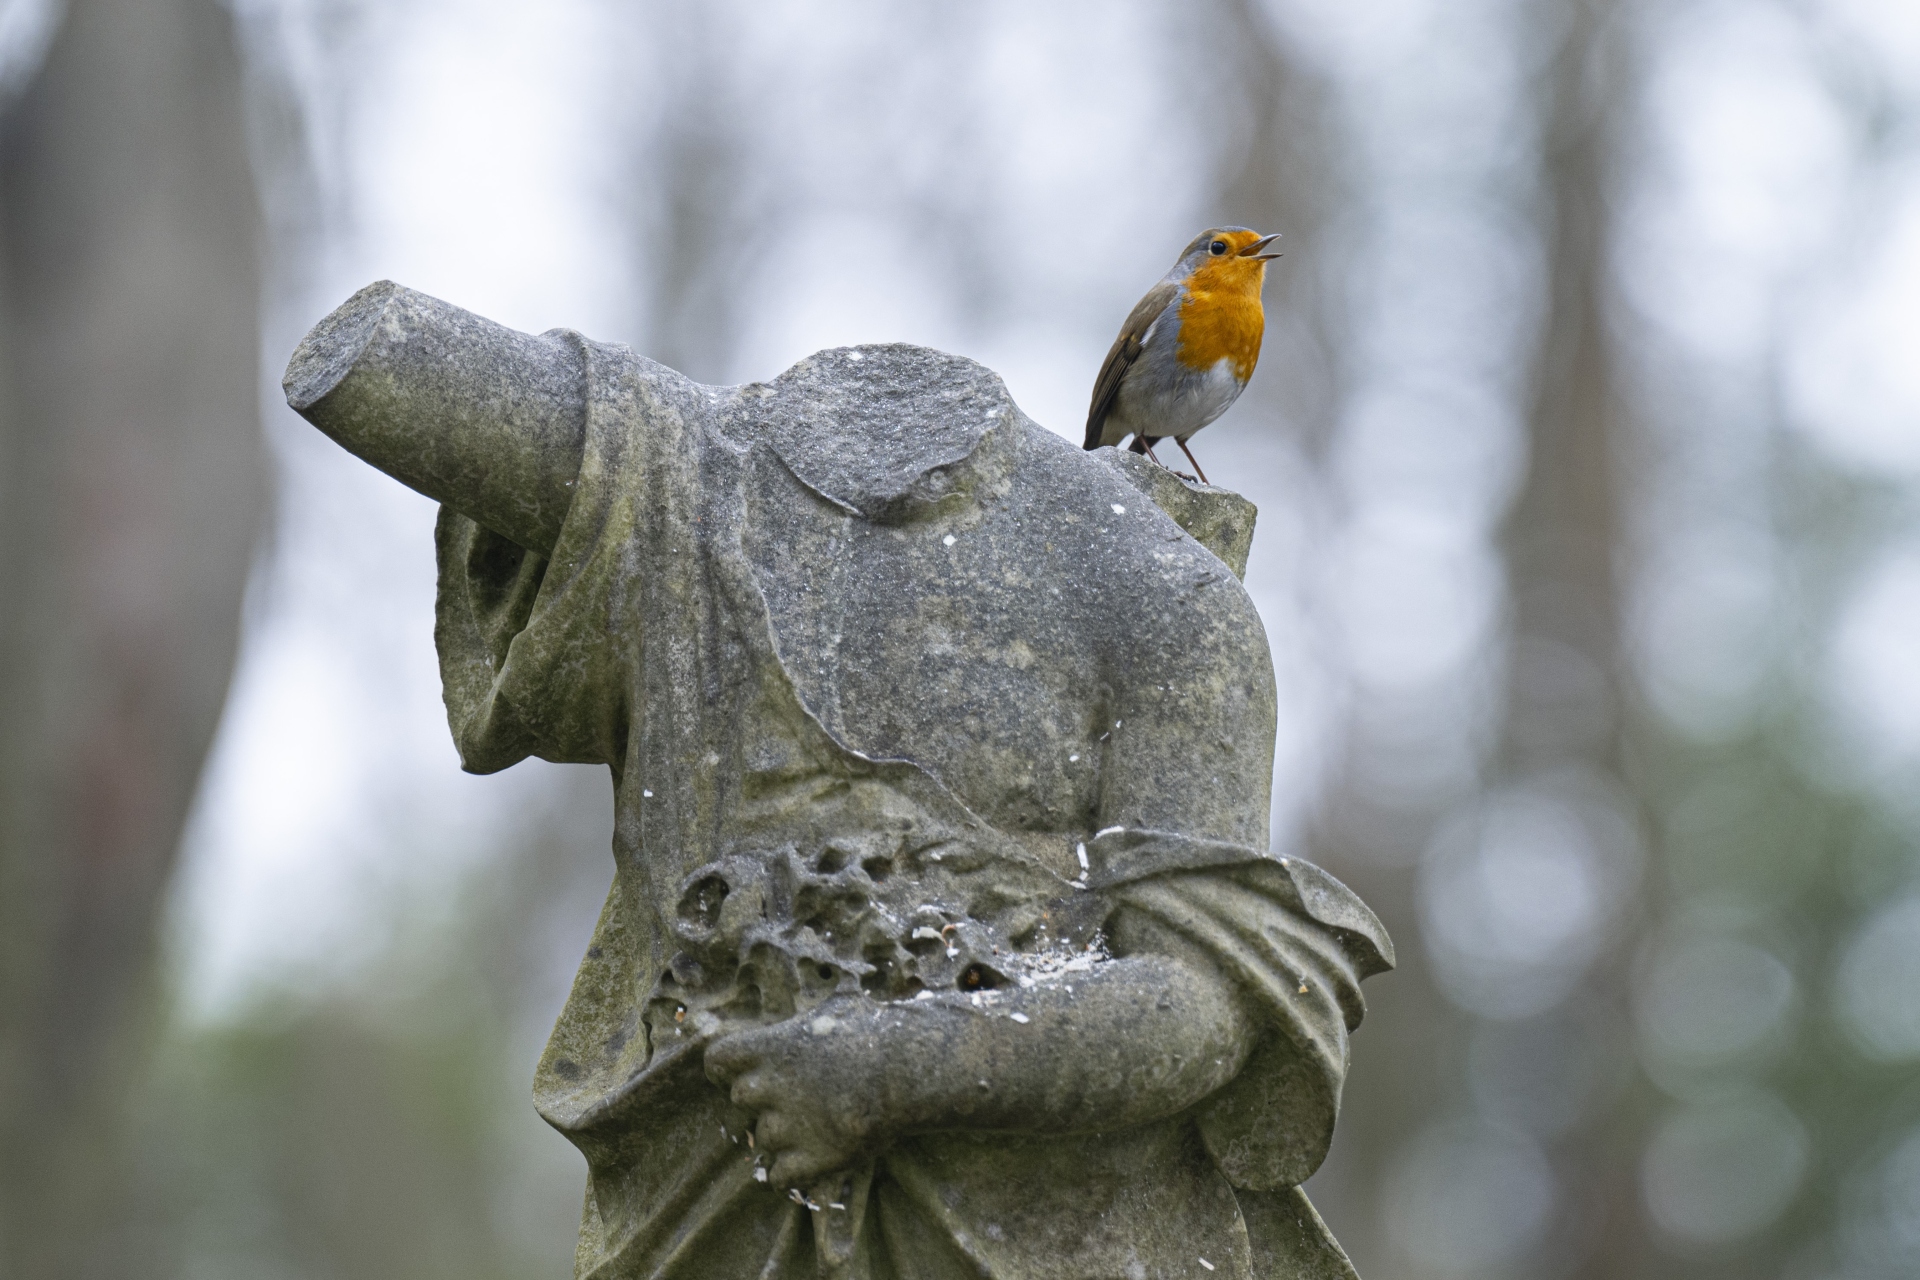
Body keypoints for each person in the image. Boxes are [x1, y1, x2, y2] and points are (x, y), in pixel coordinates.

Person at [286, 281, 1393, 1280]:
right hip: (710, 1216)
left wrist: (893, 1066)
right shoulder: (684, 496)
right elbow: (373, 365)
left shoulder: (1168, 604)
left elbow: (1204, 1005)